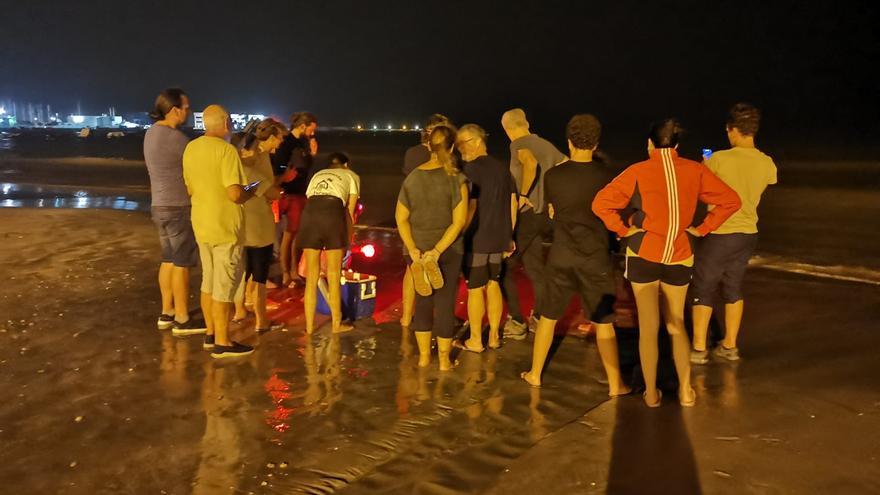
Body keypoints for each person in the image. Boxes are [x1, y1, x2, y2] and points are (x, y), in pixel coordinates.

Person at [592, 118, 741, 407]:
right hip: (679, 254)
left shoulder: (637, 170)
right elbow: (731, 200)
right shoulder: (695, 169)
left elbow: (600, 203)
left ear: (649, 144)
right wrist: (703, 227)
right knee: (676, 324)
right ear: (677, 145)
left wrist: (623, 229)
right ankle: (686, 391)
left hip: (644, 253)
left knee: (648, 327)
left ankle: (650, 394)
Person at [521, 115, 630, 397]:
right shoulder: (607, 177)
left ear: (569, 141)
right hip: (595, 257)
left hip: (561, 255)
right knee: (604, 322)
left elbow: (552, 212)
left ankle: (535, 374)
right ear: (596, 143)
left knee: (548, 316)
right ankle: (616, 384)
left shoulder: (554, 175)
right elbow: (614, 214)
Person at [690, 104, 778, 364]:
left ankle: (698, 348)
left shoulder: (719, 159)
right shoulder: (767, 162)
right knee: (733, 287)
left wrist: (705, 163)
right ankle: (729, 345)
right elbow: (765, 182)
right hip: (748, 232)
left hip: (720, 231)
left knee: (703, 288)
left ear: (732, 130)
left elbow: (699, 185)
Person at [183, 104, 256, 358]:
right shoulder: (227, 151)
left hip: (201, 223)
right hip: (225, 226)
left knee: (209, 281)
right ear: (225, 123)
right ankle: (223, 342)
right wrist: (251, 191)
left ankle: (211, 333)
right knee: (224, 286)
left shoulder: (191, 148)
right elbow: (235, 193)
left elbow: (190, 189)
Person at [396, 126, 468, 371]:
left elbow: (401, 218)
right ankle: (445, 361)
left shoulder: (413, 177)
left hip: (417, 250)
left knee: (423, 302)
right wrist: (437, 251)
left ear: (428, 146)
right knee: (446, 303)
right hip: (446, 251)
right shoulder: (456, 178)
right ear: (451, 147)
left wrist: (414, 249)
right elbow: (459, 222)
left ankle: (425, 356)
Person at [500, 108, 567, 340]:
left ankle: (517, 321)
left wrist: (524, 193)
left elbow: (529, 164)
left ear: (507, 128)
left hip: (527, 215)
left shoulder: (517, 144)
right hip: (542, 216)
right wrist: (553, 198)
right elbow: (565, 165)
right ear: (526, 122)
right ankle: (539, 318)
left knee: (504, 268)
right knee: (535, 267)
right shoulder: (546, 145)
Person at [143, 88, 206, 335]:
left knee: (168, 259)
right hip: (178, 207)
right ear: (173, 110)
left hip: (158, 205)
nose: (189, 111)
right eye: (186, 107)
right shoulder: (176, 138)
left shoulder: (150, 134)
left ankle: (166, 312)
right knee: (181, 263)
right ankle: (182, 318)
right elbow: (198, 163)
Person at [454, 124, 517, 352]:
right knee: (493, 283)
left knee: (475, 288)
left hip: (477, 238)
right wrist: (509, 234)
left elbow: (469, 206)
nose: (460, 149)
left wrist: (459, 232)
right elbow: (513, 202)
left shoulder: (471, 170)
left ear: (477, 141)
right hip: (499, 237)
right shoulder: (502, 169)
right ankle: (493, 337)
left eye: (463, 143)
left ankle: (475, 341)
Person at [232, 119, 287, 334]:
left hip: (249, 219)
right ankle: (261, 319)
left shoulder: (254, 154)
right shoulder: (254, 155)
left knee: (246, 270)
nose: (281, 143)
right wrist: (267, 189)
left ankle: (241, 310)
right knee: (258, 271)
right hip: (255, 221)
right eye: (280, 139)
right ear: (272, 137)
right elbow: (247, 179)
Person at [400, 114, 453, 328]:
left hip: (412, 216)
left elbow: (407, 184)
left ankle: (405, 317)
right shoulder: (445, 157)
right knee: (440, 268)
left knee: (412, 267)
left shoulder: (411, 153)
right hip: (439, 219)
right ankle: (437, 316)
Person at [300, 152, 361, 334]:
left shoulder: (317, 175)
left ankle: (309, 328)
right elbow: (349, 212)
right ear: (346, 165)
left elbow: (311, 200)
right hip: (332, 215)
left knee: (312, 276)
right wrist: (349, 239)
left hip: (310, 216)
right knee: (333, 274)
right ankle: (336, 324)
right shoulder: (352, 176)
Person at [272, 112, 318, 287]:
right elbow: (279, 164)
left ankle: (293, 270)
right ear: (303, 126)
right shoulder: (287, 142)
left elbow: (305, 168)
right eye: (311, 129)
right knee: (289, 234)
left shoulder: (303, 142)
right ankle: (286, 272)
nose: (312, 133)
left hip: (300, 191)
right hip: (289, 193)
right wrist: (284, 177)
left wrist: (312, 155)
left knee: (295, 234)